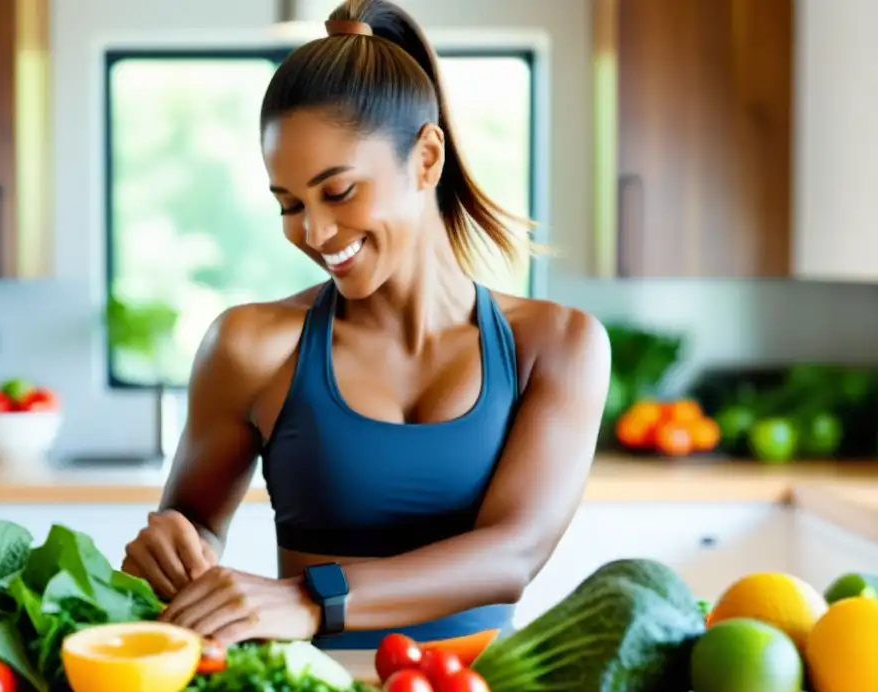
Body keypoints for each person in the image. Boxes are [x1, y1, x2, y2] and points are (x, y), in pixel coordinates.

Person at [121, 0, 611, 651]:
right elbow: (194, 531)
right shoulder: (250, 348)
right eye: (289, 205)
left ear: (427, 158)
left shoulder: (556, 346)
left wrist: (308, 598)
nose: (314, 233)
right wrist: (171, 552)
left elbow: (512, 555)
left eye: (340, 192)